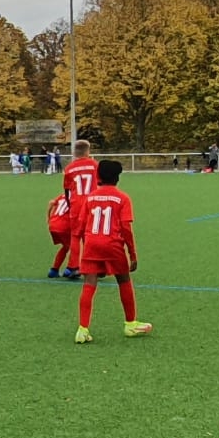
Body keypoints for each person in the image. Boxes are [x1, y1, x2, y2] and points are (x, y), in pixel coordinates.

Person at [71, 159, 152, 343]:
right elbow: (126, 228)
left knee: (89, 284)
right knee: (124, 280)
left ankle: (82, 329)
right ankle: (130, 324)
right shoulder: (122, 198)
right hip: (113, 244)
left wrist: (87, 245)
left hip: (91, 244)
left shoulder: (90, 198)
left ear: (98, 176)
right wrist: (132, 254)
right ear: (117, 178)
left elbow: (80, 226)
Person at [59, 140, 100, 279]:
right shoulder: (95, 165)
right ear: (88, 151)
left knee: (75, 236)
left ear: (74, 152)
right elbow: (101, 182)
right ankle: (96, 266)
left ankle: (73, 267)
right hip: (92, 205)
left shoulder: (69, 168)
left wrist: (69, 205)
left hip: (76, 205)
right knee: (92, 236)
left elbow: (67, 190)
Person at [46, 194, 75, 280]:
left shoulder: (62, 195)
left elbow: (51, 203)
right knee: (74, 246)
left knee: (66, 247)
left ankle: (54, 270)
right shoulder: (76, 197)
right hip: (64, 226)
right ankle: (70, 269)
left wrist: (48, 217)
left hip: (53, 224)